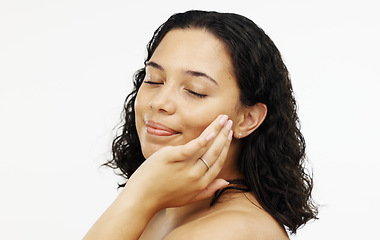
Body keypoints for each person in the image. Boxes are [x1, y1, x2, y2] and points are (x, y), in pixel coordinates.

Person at [84, 10, 318, 240]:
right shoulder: (159, 210)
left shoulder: (227, 231)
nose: (159, 102)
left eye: (195, 91)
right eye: (153, 80)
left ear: (247, 119)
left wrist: (138, 196)